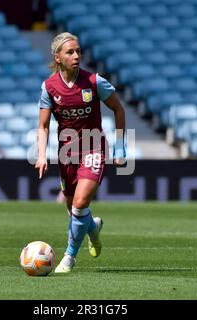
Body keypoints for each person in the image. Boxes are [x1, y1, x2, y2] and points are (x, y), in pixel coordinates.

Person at [35, 32, 126, 273]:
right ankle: (93, 229)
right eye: (70, 52)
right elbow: (43, 125)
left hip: (94, 147)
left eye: (78, 51)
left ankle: (68, 258)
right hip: (67, 153)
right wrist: (42, 154)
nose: (77, 56)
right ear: (58, 57)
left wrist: (121, 145)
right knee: (73, 208)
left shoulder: (95, 82)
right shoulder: (49, 87)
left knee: (80, 202)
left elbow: (119, 109)